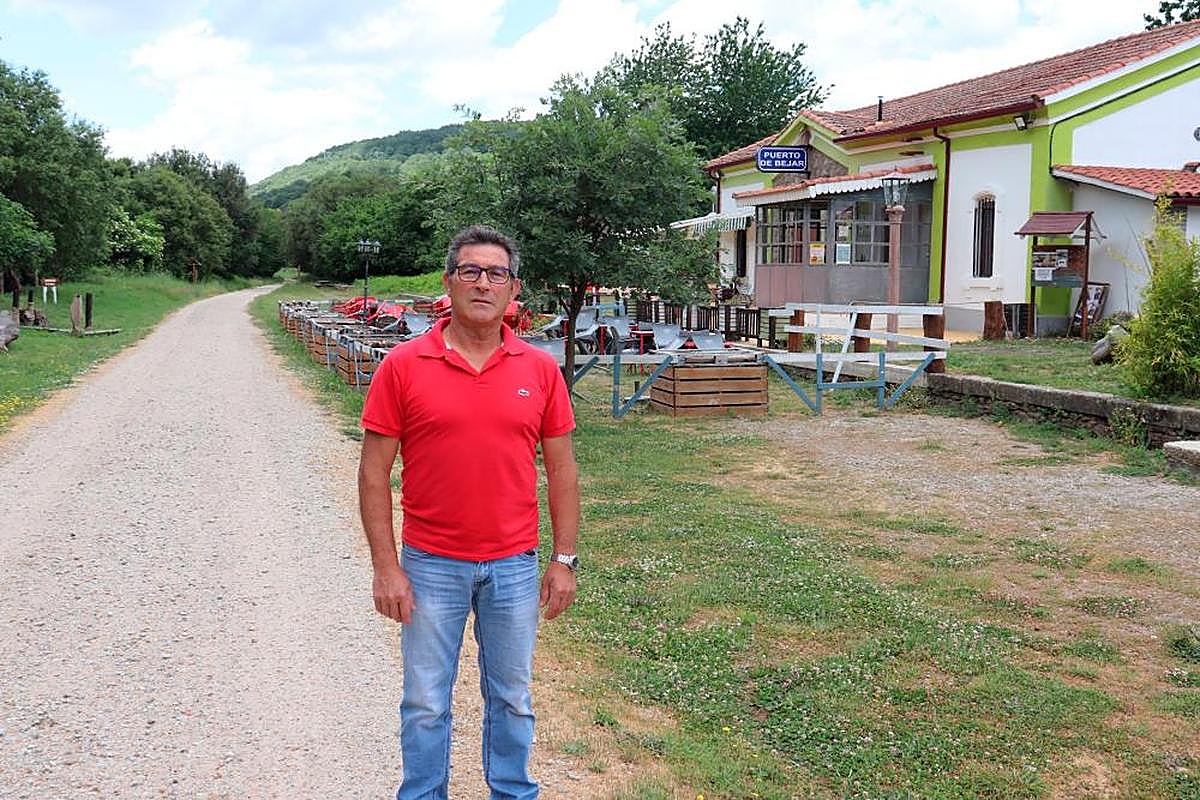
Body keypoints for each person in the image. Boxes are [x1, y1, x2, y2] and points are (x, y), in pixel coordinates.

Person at [358, 224, 580, 800]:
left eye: (496, 273)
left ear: (514, 289)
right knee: (427, 701)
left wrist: (564, 559)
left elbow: (562, 471)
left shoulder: (539, 370)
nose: (483, 283)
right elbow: (373, 472)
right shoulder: (404, 366)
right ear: (448, 282)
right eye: (470, 271)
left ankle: (512, 792)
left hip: (512, 565)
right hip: (431, 565)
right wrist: (387, 566)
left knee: (512, 697)